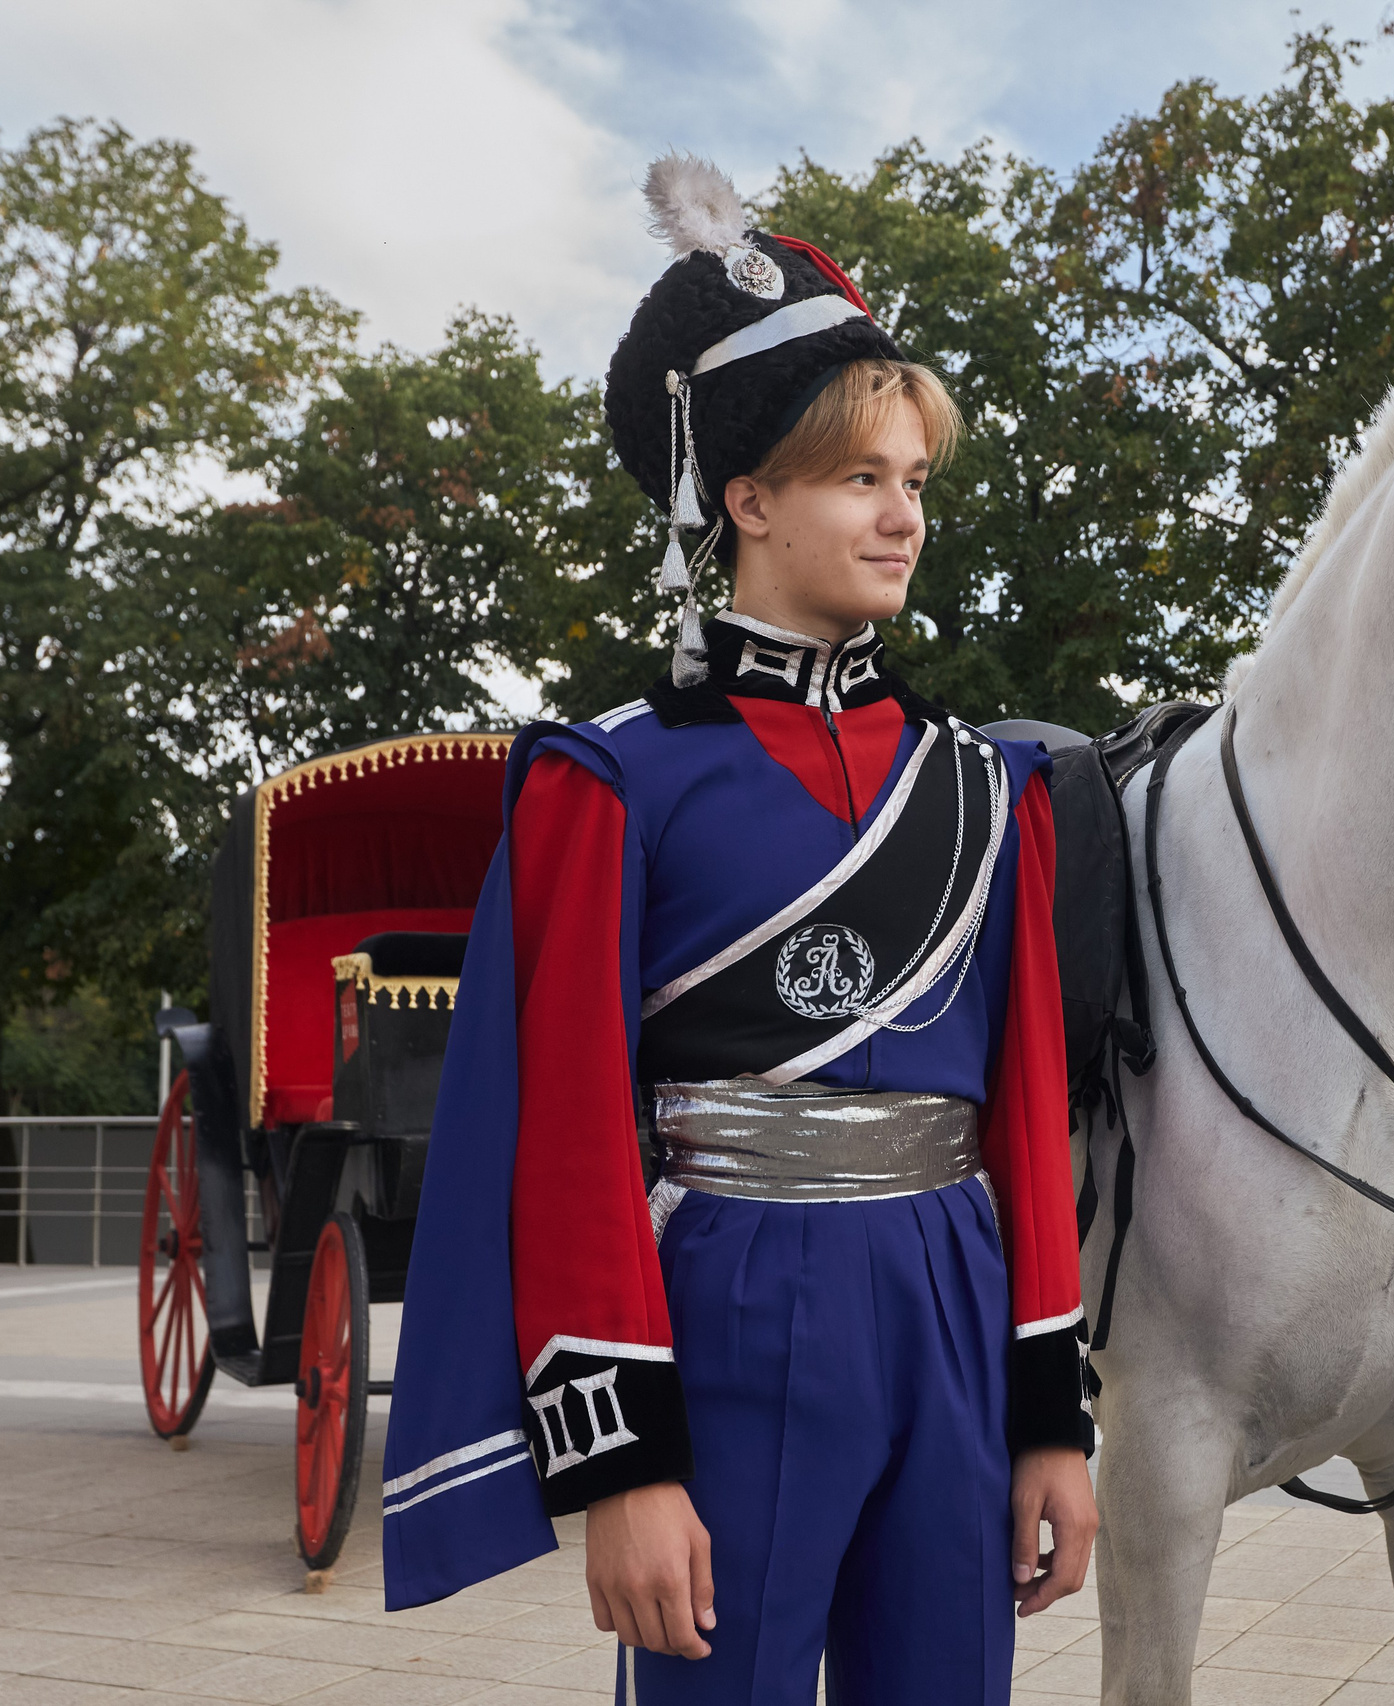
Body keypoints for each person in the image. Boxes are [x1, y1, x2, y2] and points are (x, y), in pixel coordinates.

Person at [379, 153, 1097, 1705]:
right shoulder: (612, 775)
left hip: (953, 1299)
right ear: (746, 497)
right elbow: (565, 1132)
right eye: (860, 479)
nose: (902, 515)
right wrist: (620, 1462)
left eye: (913, 481)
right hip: (728, 1293)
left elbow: (1026, 1120)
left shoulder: (991, 789)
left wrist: (1053, 1416)